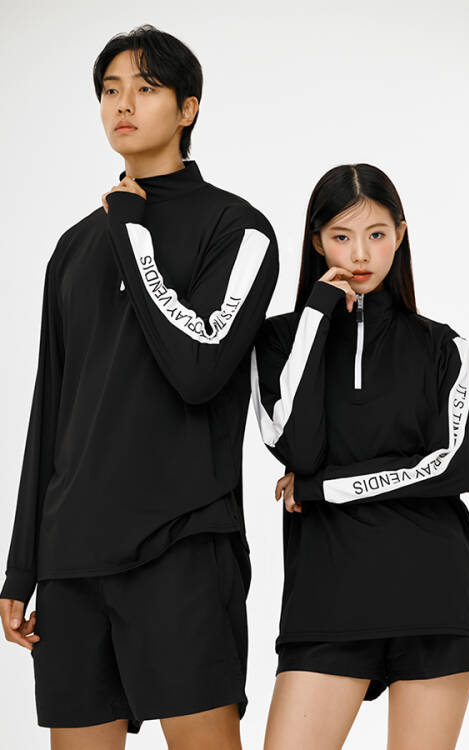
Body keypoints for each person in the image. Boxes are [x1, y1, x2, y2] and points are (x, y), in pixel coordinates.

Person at [0, 24, 279, 747]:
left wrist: (131, 229)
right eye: (110, 90)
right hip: (73, 559)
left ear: (187, 108)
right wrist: (21, 569)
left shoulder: (237, 229)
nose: (123, 104)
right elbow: (50, 408)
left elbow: (199, 370)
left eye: (146, 88)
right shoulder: (73, 247)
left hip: (182, 547)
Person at [250, 162, 469, 750]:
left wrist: (323, 488)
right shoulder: (278, 340)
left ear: (400, 236)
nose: (360, 254)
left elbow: (464, 465)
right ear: (317, 241)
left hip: (434, 595)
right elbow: (295, 445)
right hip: (326, 598)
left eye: (377, 234)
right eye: (341, 235)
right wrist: (316, 314)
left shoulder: (442, 346)